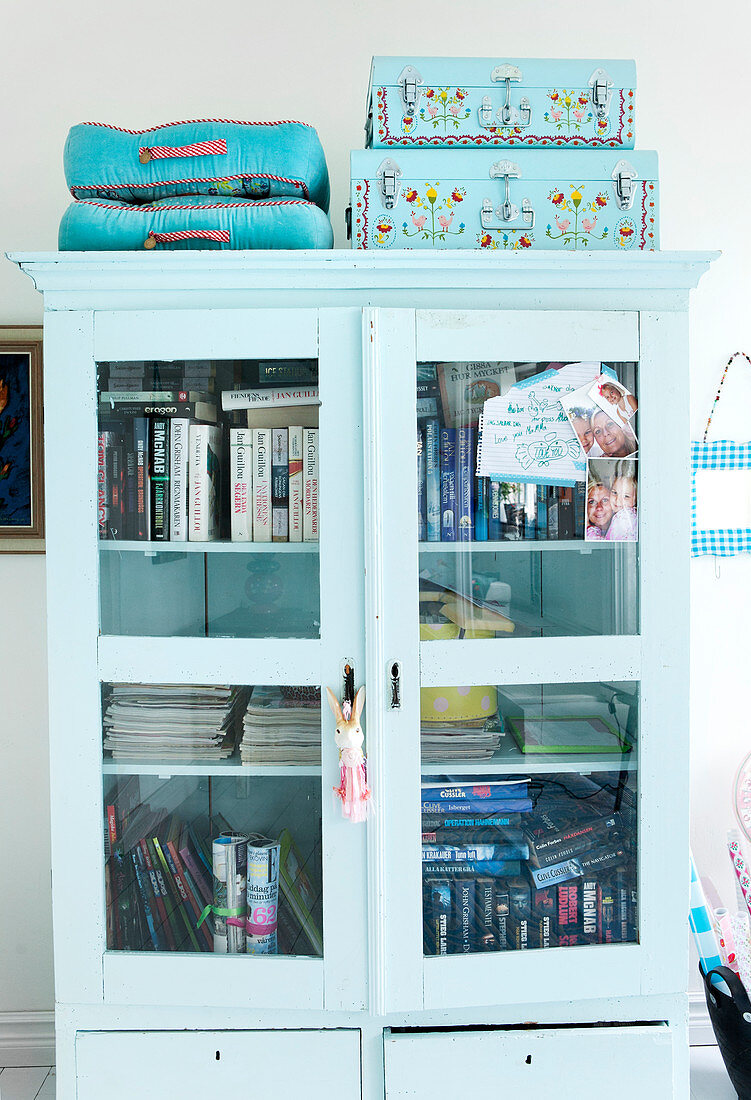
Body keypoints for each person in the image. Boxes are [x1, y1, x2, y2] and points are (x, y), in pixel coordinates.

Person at [606, 474, 638, 541]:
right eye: (614, 493)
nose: (618, 500)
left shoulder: (623, 517)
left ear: (635, 500)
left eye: (626, 496)